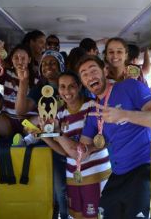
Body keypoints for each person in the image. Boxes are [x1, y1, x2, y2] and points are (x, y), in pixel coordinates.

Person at [75, 55, 151, 218]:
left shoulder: (130, 87)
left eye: (93, 70)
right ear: (83, 83)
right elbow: (84, 149)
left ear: (105, 71)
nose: (90, 76)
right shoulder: (93, 112)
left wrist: (124, 115)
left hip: (146, 166)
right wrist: (55, 136)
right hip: (119, 173)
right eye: (84, 74)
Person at [39, 71, 111, 218]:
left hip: (96, 174)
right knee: (76, 216)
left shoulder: (92, 107)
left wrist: (87, 149)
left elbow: (106, 139)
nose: (67, 91)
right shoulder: (59, 114)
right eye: (62, 87)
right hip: (73, 175)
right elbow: (65, 151)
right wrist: (44, 136)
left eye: (71, 86)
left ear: (79, 86)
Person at [15, 49, 68, 219]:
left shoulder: (69, 84)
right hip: (46, 139)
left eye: (53, 62)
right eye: (44, 64)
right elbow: (20, 111)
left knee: (61, 187)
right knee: (48, 186)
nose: (48, 66)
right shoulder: (39, 89)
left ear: (61, 66)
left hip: (64, 137)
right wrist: (23, 82)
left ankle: (65, 215)